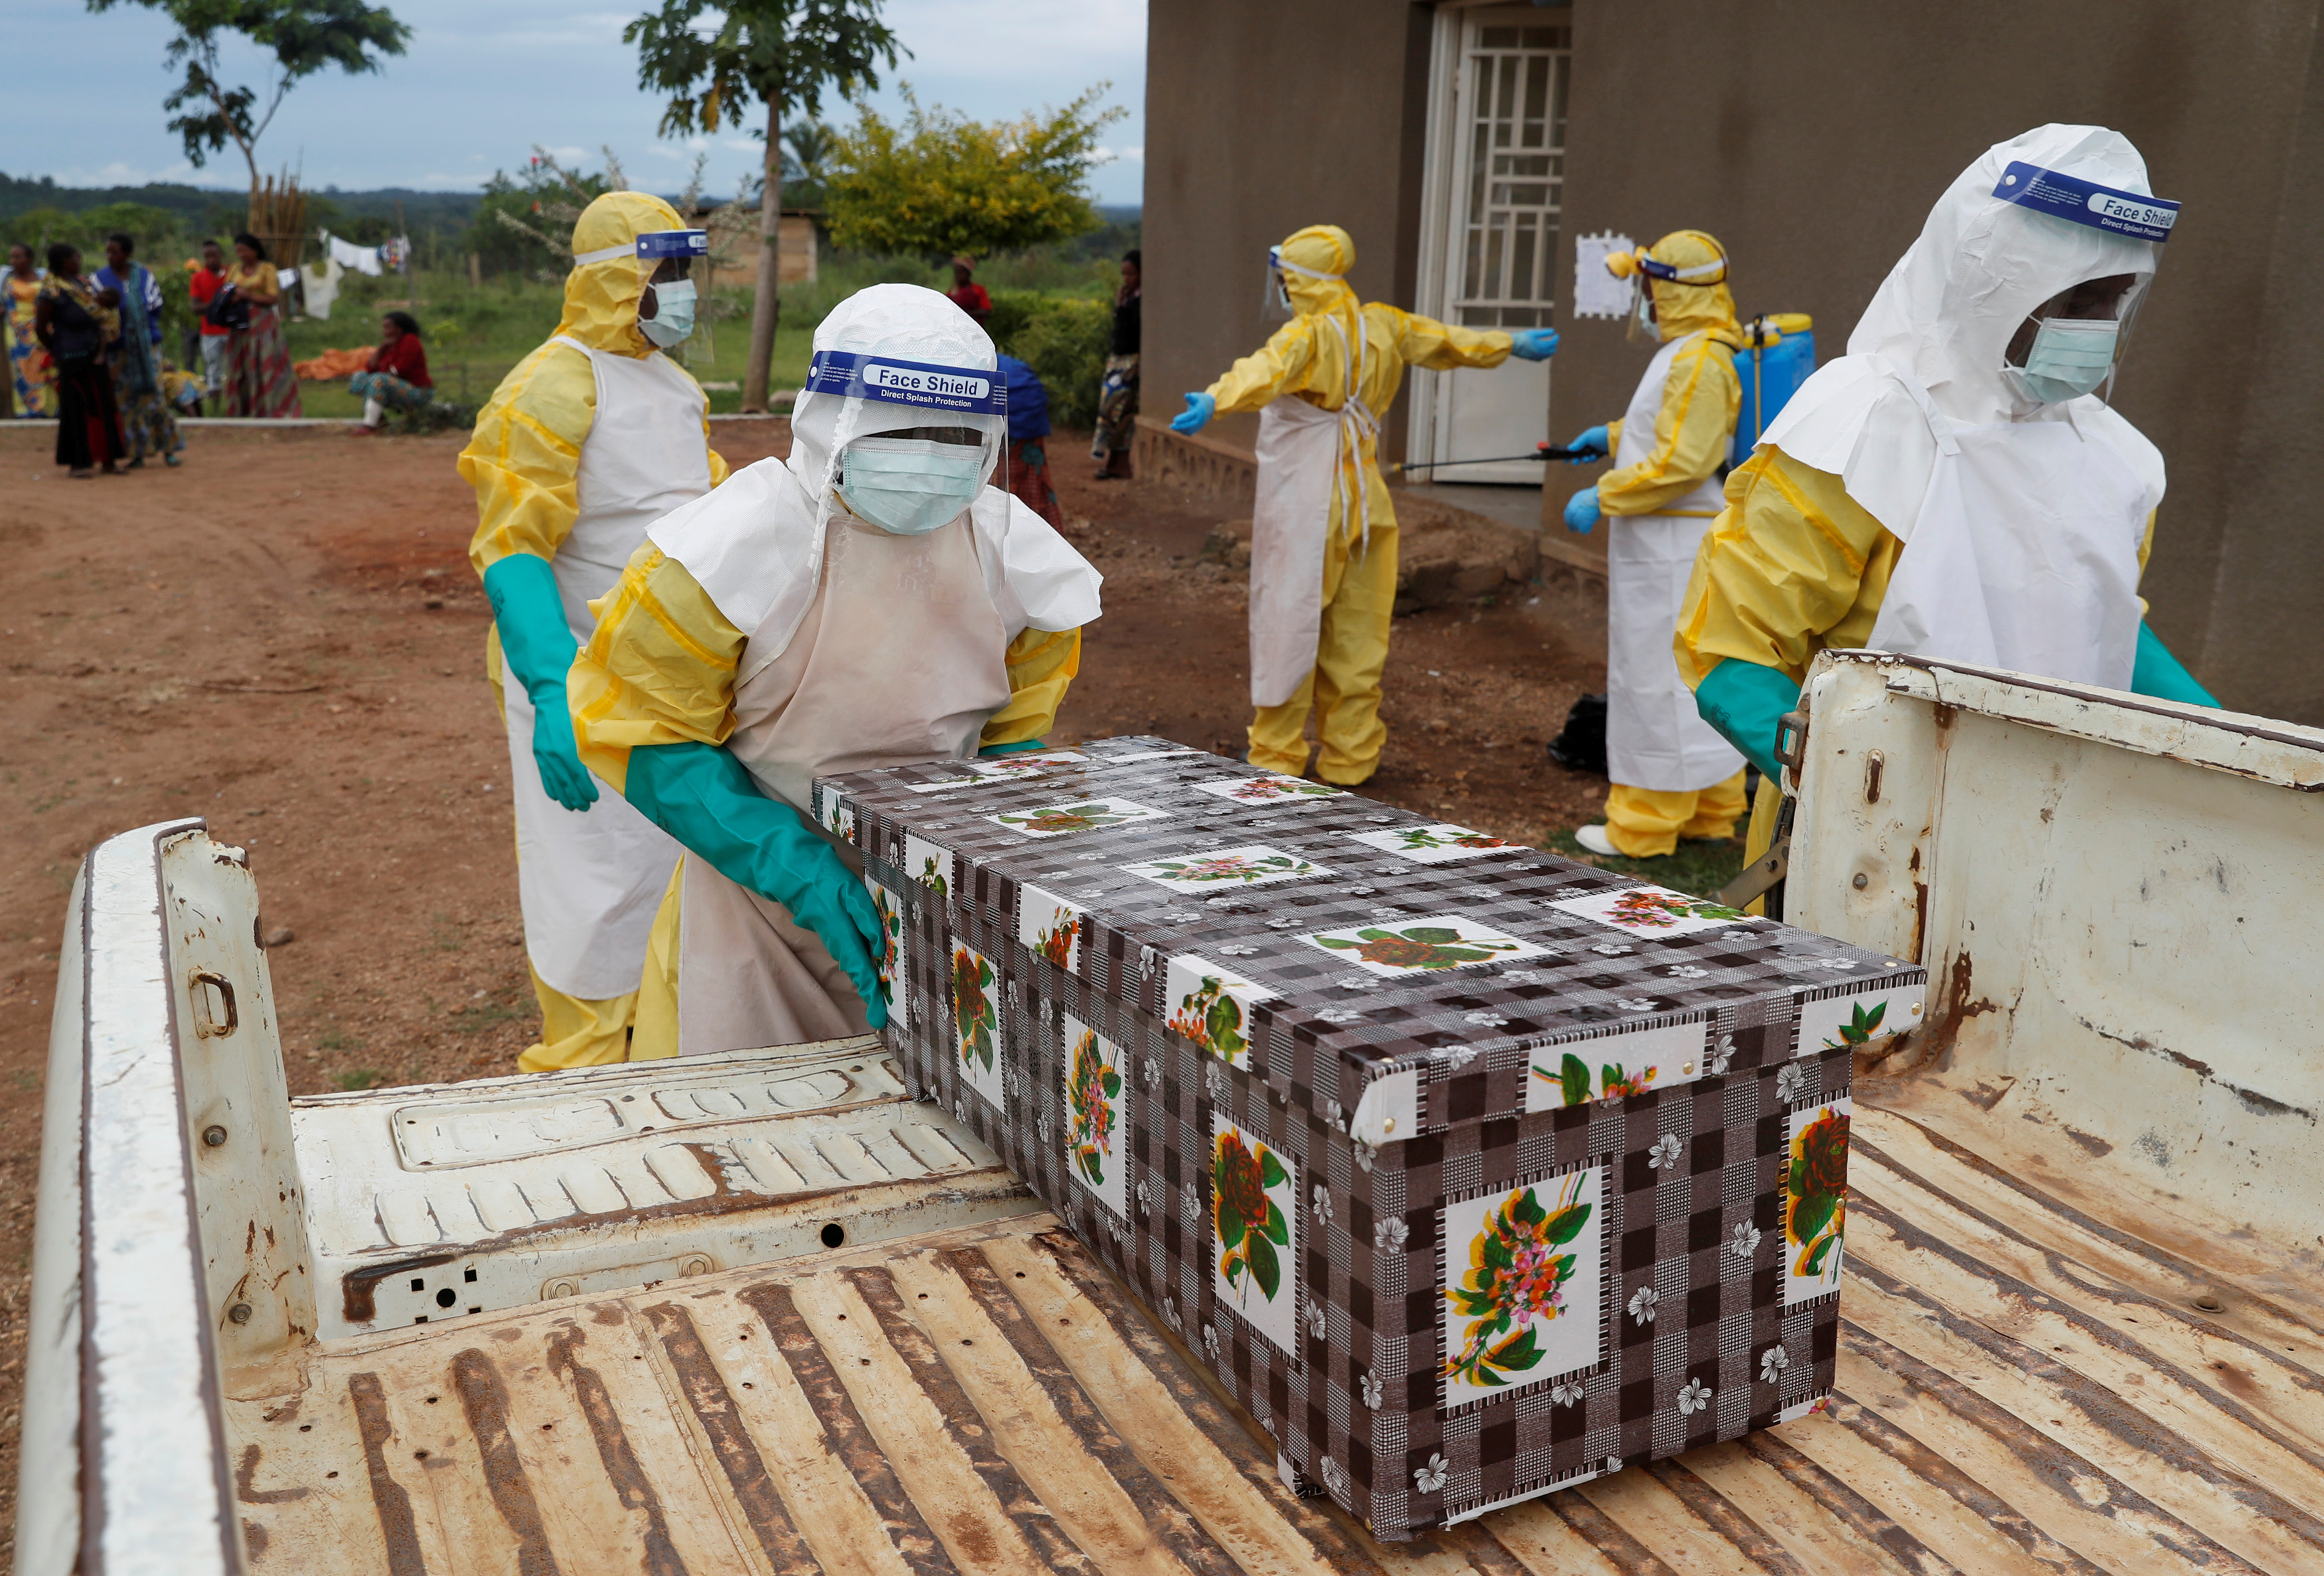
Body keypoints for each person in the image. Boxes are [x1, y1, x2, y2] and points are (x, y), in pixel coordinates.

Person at [1675, 123, 2218, 888]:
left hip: (2055, 837)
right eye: (2076, 299)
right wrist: (1857, 785)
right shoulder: (1861, 429)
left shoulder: (2113, 458)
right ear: (1990, 281)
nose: (2094, 328)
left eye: (2113, 301)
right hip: (1868, 853)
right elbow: (1728, 658)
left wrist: (2232, 745)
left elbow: (2108, 627)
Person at [568, 282, 1102, 1059]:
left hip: (933, 907)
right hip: (754, 905)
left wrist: (995, 855)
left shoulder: (1015, 558)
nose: (925, 456)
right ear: (830, 417)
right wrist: (801, 870)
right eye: (900, 428)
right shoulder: (725, 550)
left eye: (951, 433)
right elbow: (644, 733)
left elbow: (1011, 744)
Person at [459, 193, 722, 1071]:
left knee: (669, 880)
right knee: (592, 893)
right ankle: (584, 1071)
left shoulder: (676, 387)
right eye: (663, 273)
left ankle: (660, 1055)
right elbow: (514, 550)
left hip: (674, 689)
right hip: (577, 685)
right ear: (618, 279)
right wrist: (550, 688)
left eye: (685, 271)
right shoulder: (550, 384)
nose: (679, 291)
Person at [1170, 224, 1557, 785]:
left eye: (1284, 277)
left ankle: (1277, 754)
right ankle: (1351, 758)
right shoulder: (1383, 324)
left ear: (1299, 280)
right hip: (1366, 503)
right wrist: (1510, 344)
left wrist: (1215, 399)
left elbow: (1264, 371)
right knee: (1359, 626)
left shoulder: (1307, 336)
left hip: (1306, 499)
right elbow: (1445, 340)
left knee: (1290, 616)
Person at [1558, 232, 1746, 859]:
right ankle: (1710, 812)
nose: (1643, 301)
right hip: (1675, 537)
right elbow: (1671, 427)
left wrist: (1602, 493)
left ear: (1669, 287)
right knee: (1692, 675)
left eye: (1647, 287)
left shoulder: (1697, 358)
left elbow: (1681, 462)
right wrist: (1611, 436)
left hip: (1670, 540)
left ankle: (1643, 825)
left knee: (1653, 679)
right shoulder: (1698, 351)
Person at [33, 244, 125, 477]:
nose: (79, 261)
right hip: (70, 355)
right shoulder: (52, 291)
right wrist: (56, 350)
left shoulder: (82, 284)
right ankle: (78, 463)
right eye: (76, 258)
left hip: (95, 353)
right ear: (65, 262)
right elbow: (41, 327)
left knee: (103, 405)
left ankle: (108, 460)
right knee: (75, 409)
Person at [97, 234, 181, 469]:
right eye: (108, 252)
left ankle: (169, 449)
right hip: (118, 351)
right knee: (126, 402)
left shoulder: (144, 276)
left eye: (114, 252)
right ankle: (136, 452)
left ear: (126, 254)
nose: (110, 256)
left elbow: (155, 308)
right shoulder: (99, 279)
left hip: (146, 349)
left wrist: (137, 329)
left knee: (154, 398)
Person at [222, 232, 301, 418]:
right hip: (239, 325)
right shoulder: (234, 269)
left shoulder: (267, 269)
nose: (240, 255)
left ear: (255, 251)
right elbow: (225, 291)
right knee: (240, 366)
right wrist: (232, 299)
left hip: (262, 324)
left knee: (264, 365)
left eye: (244, 250)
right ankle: (241, 410)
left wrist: (247, 295)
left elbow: (272, 297)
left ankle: (270, 408)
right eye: (238, 251)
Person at [997, 351, 1065, 526]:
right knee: (1031, 479)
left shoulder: (971, 365)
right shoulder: (1009, 365)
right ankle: (1040, 528)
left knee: (1004, 483)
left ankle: (1018, 531)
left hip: (1012, 424)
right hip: (1028, 423)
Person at [1092, 249, 1141, 479]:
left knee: (1121, 412)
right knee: (1109, 412)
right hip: (1117, 362)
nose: (1126, 279)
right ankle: (1112, 462)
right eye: (1124, 274)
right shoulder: (1127, 298)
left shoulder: (1141, 302)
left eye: (1130, 274)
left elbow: (1140, 334)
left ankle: (1120, 465)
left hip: (1131, 362)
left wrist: (1137, 364)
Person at [348, 311, 434, 433]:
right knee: (359, 377)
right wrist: (382, 349)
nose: (384, 331)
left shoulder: (410, 341)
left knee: (378, 380)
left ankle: (370, 425)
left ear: (399, 329)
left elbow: (400, 369)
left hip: (418, 391)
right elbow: (370, 368)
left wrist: (379, 378)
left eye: (388, 327)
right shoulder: (388, 345)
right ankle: (379, 420)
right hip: (394, 386)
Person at [7, 243, 52, 418]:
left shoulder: (44, 277)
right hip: (18, 335)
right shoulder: (6, 280)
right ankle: (25, 412)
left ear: (29, 259)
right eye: (12, 257)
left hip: (43, 330)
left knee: (46, 369)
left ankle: (49, 410)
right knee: (21, 371)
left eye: (18, 257)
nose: (13, 261)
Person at [189, 240, 230, 414]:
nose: (211, 260)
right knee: (213, 370)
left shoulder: (231, 274)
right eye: (207, 256)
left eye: (214, 255)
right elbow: (195, 307)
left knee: (234, 368)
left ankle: (234, 405)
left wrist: (211, 306)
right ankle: (216, 408)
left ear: (221, 255)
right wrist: (222, 303)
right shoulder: (198, 278)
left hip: (231, 330)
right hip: (209, 332)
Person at [946, 255, 991, 327]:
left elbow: (986, 311)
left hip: (974, 328)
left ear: (968, 274)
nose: (958, 276)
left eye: (961, 272)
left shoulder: (978, 290)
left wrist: (965, 314)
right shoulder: (952, 292)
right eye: (956, 273)